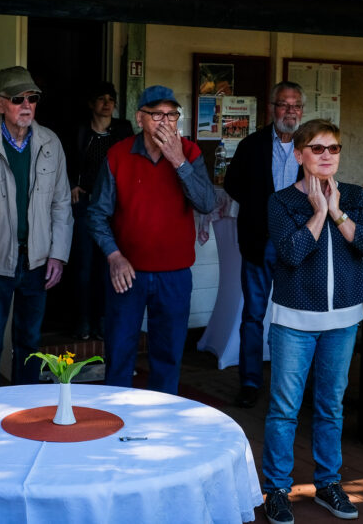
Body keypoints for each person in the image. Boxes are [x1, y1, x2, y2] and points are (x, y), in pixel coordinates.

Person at [261, 119, 363, 524]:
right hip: (294, 319)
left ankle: (329, 483)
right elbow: (292, 254)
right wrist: (318, 213)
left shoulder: (355, 196)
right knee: (284, 409)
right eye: (317, 148)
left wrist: (337, 211)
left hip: (343, 319)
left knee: (331, 406)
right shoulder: (280, 202)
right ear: (299, 155)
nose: (326, 155)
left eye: (333, 148)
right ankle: (277, 488)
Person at [87, 85, 215, 394]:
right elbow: (96, 213)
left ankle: (161, 427)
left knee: (167, 357)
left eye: (172, 115)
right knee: (119, 354)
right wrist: (114, 256)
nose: (165, 121)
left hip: (175, 274)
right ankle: (114, 422)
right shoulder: (118, 155)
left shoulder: (190, 152)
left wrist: (178, 162)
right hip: (127, 273)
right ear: (139, 118)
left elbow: (207, 203)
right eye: (157, 114)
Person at [0, 66, 74, 386]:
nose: (26, 105)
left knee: (29, 342)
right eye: (18, 99)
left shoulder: (50, 143)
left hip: (37, 260)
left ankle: (25, 405)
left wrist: (58, 254)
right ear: (0, 104)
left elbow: (62, 203)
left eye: (32, 98)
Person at [223, 81, 304, 408]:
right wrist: (260, 211)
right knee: (254, 315)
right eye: (284, 105)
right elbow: (232, 184)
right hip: (259, 242)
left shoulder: (310, 146)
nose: (290, 111)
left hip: (299, 246)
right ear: (272, 108)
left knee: (296, 317)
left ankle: (293, 385)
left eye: (296, 105)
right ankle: (251, 382)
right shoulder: (252, 144)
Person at [65, 80, 133, 341]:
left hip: (114, 208)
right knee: (83, 266)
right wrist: (72, 184)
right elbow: (66, 160)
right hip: (85, 203)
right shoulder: (79, 131)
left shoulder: (124, 130)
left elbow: (130, 164)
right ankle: (83, 321)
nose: (107, 103)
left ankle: (104, 320)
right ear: (91, 104)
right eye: (101, 98)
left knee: (109, 263)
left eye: (111, 99)